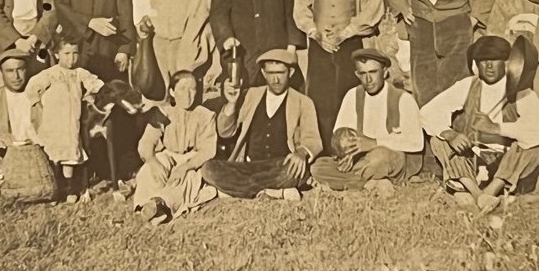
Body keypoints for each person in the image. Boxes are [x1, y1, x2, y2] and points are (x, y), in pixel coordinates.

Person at [420, 35, 539, 211]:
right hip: (473, 159)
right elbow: (427, 112)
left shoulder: (520, 90)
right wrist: (450, 135)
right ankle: (477, 194)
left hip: (507, 163)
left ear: (506, 62)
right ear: (476, 63)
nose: (489, 66)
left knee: (531, 148)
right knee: (439, 139)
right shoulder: (468, 85)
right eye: (483, 60)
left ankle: (490, 191)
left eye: (495, 60)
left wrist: (497, 128)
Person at [293, 0, 385, 152]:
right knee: (318, 98)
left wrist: (348, 32)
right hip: (319, 45)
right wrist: (314, 32)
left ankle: (349, 150)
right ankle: (319, 150)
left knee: (349, 96)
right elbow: (300, 5)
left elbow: (374, 7)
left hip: (351, 46)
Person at [199, 49, 323, 201]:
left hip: (280, 166)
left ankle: (236, 191)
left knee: (296, 172)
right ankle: (275, 192)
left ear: (290, 72)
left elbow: (313, 139)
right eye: (270, 73)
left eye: (280, 73)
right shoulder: (250, 95)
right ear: (263, 73)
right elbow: (225, 132)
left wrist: (301, 153)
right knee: (208, 169)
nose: (275, 79)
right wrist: (231, 104)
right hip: (247, 166)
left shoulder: (303, 102)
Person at [309, 48, 424, 193]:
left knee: (379, 157)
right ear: (357, 74)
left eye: (373, 72)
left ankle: (351, 181)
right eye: (363, 74)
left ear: (385, 71)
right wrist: (346, 154)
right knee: (317, 167)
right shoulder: (352, 95)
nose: (368, 80)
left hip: (392, 157)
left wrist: (374, 143)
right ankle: (372, 182)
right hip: (362, 160)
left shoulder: (403, 99)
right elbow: (340, 134)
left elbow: (416, 143)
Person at [0, 48, 59, 203]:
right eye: (10, 71)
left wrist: (39, 140)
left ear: (27, 69)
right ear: (0, 72)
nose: (16, 76)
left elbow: (54, 125)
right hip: (5, 154)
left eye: (20, 69)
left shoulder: (38, 94)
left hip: (35, 153)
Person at [131, 70, 220, 225]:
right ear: (172, 92)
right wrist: (153, 162)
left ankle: (161, 206)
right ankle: (143, 207)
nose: (188, 95)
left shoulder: (206, 115)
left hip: (192, 159)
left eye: (192, 89)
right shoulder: (163, 113)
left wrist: (185, 167)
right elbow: (146, 143)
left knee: (186, 180)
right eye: (182, 89)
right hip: (168, 156)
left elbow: (207, 150)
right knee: (149, 170)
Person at [25, 34, 106, 203]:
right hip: (53, 122)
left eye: (75, 53)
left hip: (71, 122)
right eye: (67, 54)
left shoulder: (79, 73)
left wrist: (91, 93)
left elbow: (96, 83)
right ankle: (54, 190)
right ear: (56, 55)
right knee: (53, 154)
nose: (71, 58)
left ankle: (70, 187)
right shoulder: (50, 74)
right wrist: (37, 105)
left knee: (70, 154)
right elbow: (32, 87)